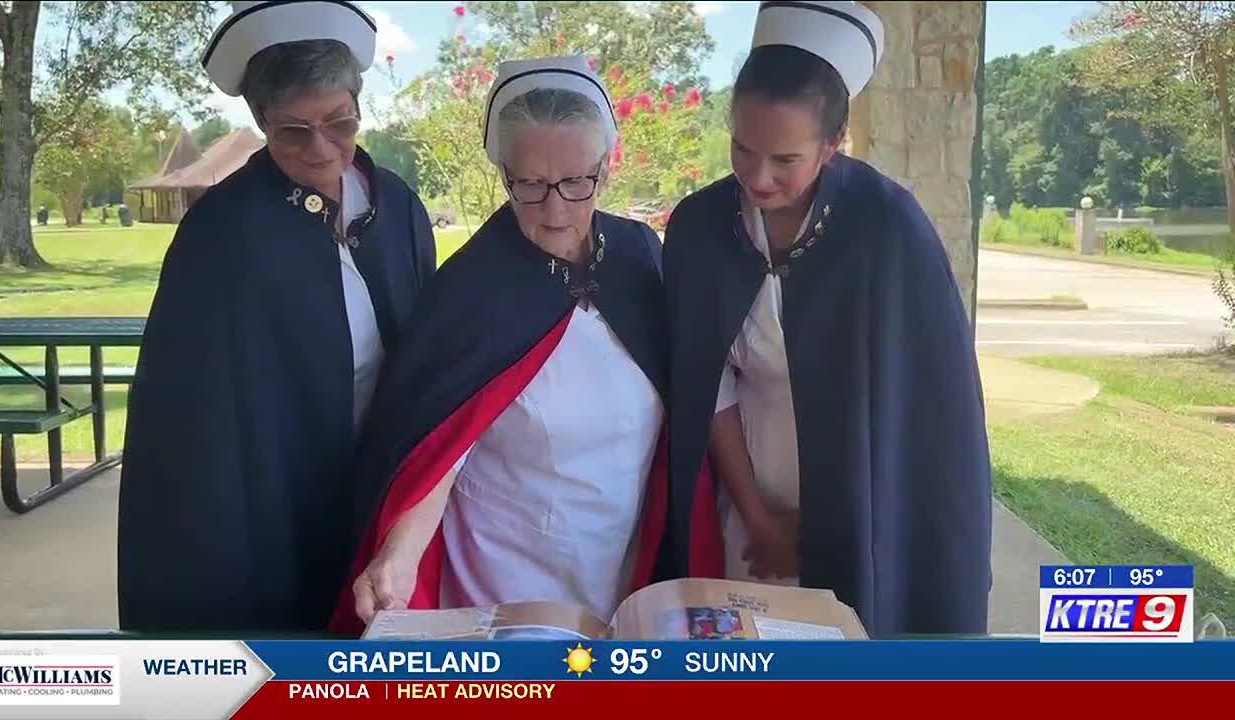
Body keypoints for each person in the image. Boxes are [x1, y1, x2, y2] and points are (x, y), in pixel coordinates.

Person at [329, 55, 714, 636]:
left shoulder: (640, 257)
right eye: (530, 185)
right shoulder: (470, 287)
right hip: (500, 580)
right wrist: (399, 555)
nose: (555, 211)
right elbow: (438, 447)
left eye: (576, 183)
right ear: (504, 173)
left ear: (605, 171)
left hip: (621, 563)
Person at [661, 0, 993, 638]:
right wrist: (759, 517)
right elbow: (706, 380)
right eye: (742, 147)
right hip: (743, 483)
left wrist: (821, 526)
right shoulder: (701, 226)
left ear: (832, 143)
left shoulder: (887, 226)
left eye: (785, 160)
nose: (758, 176)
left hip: (861, 487)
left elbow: (924, 406)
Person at [118, 0, 437, 634]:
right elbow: (187, 423)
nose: (322, 148)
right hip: (270, 498)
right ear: (261, 121)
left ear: (357, 103)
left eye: (339, 122)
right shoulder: (222, 230)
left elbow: (431, 357)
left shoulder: (396, 207)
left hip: (379, 482)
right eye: (294, 131)